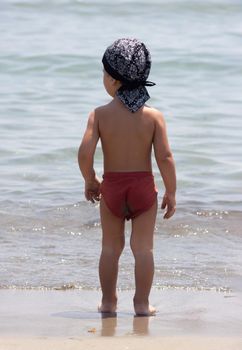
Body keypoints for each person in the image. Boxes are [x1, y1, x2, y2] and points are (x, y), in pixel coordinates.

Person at [78, 38, 176, 316]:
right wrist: (171, 191)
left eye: (104, 74)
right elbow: (165, 157)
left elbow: (84, 153)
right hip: (143, 188)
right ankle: (142, 305)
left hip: (113, 187)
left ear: (113, 79)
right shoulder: (154, 117)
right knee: (143, 249)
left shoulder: (99, 115)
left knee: (110, 248)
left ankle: (109, 302)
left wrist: (91, 179)